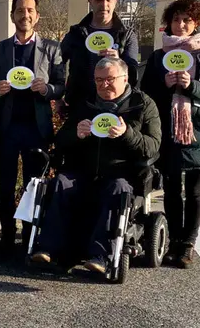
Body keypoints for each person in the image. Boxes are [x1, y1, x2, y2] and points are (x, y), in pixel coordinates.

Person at [31, 58, 161, 273]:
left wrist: (126, 134)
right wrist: (76, 133)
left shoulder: (143, 104)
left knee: (117, 189)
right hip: (83, 169)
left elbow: (153, 146)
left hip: (122, 172)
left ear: (125, 78)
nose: (103, 85)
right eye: (99, 80)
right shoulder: (86, 102)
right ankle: (48, 249)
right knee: (61, 183)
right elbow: (61, 140)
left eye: (110, 79)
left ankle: (101, 256)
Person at [141, 0, 200, 268]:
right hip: (168, 131)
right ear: (169, 23)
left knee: (196, 191)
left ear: (195, 22)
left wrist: (191, 87)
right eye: (176, 19)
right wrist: (165, 84)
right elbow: (147, 96)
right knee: (173, 190)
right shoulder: (158, 56)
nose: (181, 24)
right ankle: (174, 241)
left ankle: (188, 244)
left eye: (186, 20)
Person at [0, 0, 65, 249]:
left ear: (37, 16)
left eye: (30, 10)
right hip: (7, 128)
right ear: (12, 16)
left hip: (36, 128)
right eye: (20, 10)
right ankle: (7, 236)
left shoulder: (52, 48)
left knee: (33, 186)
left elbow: (62, 86)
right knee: (5, 186)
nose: (25, 14)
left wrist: (47, 89)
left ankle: (30, 238)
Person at [60, 0, 138, 108]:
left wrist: (119, 61)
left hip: (116, 106)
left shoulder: (127, 35)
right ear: (90, 1)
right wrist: (58, 95)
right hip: (80, 104)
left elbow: (134, 75)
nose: (104, 4)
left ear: (116, 1)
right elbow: (57, 63)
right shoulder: (76, 33)